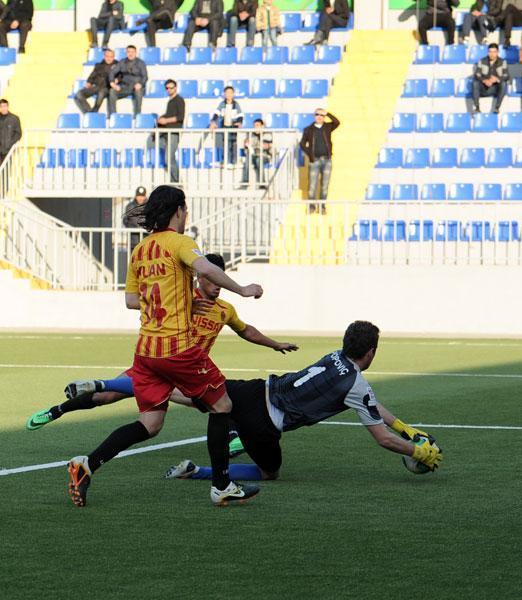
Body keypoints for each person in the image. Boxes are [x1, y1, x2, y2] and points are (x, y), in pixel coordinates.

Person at [66, 186, 265, 508]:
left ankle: (87, 464)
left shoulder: (141, 249)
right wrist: (242, 289)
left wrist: (182, 302)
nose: (186, 216)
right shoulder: (180, 242)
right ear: (178, 211)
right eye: (185, 210)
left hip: (146, 351)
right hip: (177, 348)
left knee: (150, 424)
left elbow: (132, 300)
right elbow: (206, 269)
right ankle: (221, 485)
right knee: (222, 405)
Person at [26, 252, 297, 435]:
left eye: (220, 280)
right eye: (212, 278)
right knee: (104, 398)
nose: (217, 285)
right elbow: (146, 304)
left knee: (217, 401)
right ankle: (56, 411)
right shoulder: (180, 299)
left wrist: (275, 344)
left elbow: (245, 330)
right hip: (158, 362)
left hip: (189, 371)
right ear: (199, 277)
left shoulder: (225, 310)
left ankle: (234, 436)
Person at [163, 321, 444, 483]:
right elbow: (382, 438)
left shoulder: (335, 356)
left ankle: (148, 390)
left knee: (203, 397)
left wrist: (404, 428)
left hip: (256, 389)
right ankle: (197, 471)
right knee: (268, 473)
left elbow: (370, 404)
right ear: (371, 353)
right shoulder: (355, 385)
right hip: (264, 422)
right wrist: (417, 451)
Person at [300, 108, 340, 214]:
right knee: (312, 186)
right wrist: (310, 154)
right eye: (317, 114)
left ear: (324, 117)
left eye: (322, 115)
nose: (319, 116)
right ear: (314, 116)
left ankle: (322, 206)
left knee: (324, 186)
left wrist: (328, 113)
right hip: (314, 161)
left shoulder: (328, 127)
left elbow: (337, 122)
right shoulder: (308, 129)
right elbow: (302, 144)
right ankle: (312, 206)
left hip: (327, 160)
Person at [153, 79, 185, 182]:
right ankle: (174, 181)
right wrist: (161, 119)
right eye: (167, 88)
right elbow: (169, 115)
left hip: (173, 132)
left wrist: (165, 120)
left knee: (169, 158)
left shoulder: (179, 100)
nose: (169, 90)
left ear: (175, 88)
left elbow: (180, 117)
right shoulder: (170, 101)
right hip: (167, 132)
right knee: (169, 158)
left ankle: (176, 182)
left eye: (171, 88)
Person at [107, 45, 147, 116]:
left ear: (135, 53)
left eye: (132, 52)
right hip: (124, 86)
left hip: (137, 86)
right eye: (128, 52)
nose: (130, 54)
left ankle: (137, 115)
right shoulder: (122, 62)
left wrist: (140, 84)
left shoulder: (141, 63)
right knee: (112, 91)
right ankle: (113, 115)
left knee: (138, 92)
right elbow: (112, 72)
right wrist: (112, 83)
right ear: (126, 53)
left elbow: (145, 76)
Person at [75, 48, 116, 114]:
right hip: (97, 86)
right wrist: (89, 82)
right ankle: (90, 112)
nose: (109, 58)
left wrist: (116, 81)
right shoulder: (99, 65)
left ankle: (94, 110)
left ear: (113, 57)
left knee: (101, 92)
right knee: (79, 94)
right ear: (104, 56)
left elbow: (120, 76)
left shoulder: (117, 66)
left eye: (111, 57)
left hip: (107, 88)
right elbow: (92, 75)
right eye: (107, 56)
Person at [209, 86, 243, 165]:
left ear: (233, 94)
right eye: (227, 93)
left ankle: (234, 162)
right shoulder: (222, 104)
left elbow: (240, 115)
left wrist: (239, 122)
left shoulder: (236, 104)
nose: (229, 94)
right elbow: (217, 113)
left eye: (231, 93)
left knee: (233, 144)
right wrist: (213, 122)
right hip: (225, 126)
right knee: (226, 144)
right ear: (224, 94)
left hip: (233, 127)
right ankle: (226, 161)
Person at [472, 43, 509, 114]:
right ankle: (477, 108)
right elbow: (477, 74)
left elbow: (506, 75)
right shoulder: (482, 61)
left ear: (497, 52)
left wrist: (496, 79)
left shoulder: (502, 62)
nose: (492, 54)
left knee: (503, 84)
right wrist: (484, 80)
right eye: (490, 52)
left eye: (494, 52)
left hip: (495, 88)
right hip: (484, 88)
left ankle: (497, 107)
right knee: (475, 83)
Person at [242, 118, 273, 186]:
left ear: (262, 126)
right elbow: (247, 146)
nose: (255, 127)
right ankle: (245, 182)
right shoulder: (251, 134)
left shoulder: (267, 134)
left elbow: (269, 146)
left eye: (257, 125)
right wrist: (246, 144)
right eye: (254, 125)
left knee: (259, 160)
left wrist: (266, 146)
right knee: (248, 158)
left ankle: (262, 183)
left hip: (264, 156)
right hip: (254, 155)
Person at [0, 99, 22, 165]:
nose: (3, 108)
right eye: (1, 106)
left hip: (8, 150)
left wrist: (10, 144)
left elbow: (18, 134)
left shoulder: (14, 118)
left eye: (4, 106)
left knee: (6, 168)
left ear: (7, 106)